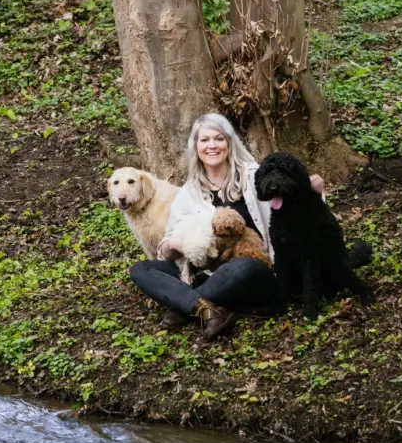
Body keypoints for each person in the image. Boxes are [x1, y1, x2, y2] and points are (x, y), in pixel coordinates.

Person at [129, 113, 323, 341]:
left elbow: (293, 202)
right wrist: (172, 244)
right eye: (205, 140)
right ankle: (205, 307)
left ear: (229, 143)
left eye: (219, 139)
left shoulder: (254, 176)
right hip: (206, 271)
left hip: (257, 270)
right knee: (141, 270)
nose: (212, 145)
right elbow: (166, 251)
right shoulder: (189, 192)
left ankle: (184, 306)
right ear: (196, 147)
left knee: (243, 266)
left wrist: (310, 188)